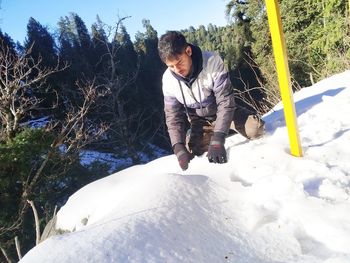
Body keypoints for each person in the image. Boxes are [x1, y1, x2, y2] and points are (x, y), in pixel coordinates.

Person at [158, 31, 265, 171]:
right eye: (171, 66)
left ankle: (224, 129)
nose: (176, 69)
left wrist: (218, 139)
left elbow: (225, 101)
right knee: (192, 149)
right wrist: (178, 146)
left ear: (188, 51)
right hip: (199, 121)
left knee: (255, 129)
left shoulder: (212, 61)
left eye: (179, 62)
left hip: (225, 113)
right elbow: (173, 117)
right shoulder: (168, 79)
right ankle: (207, 133)